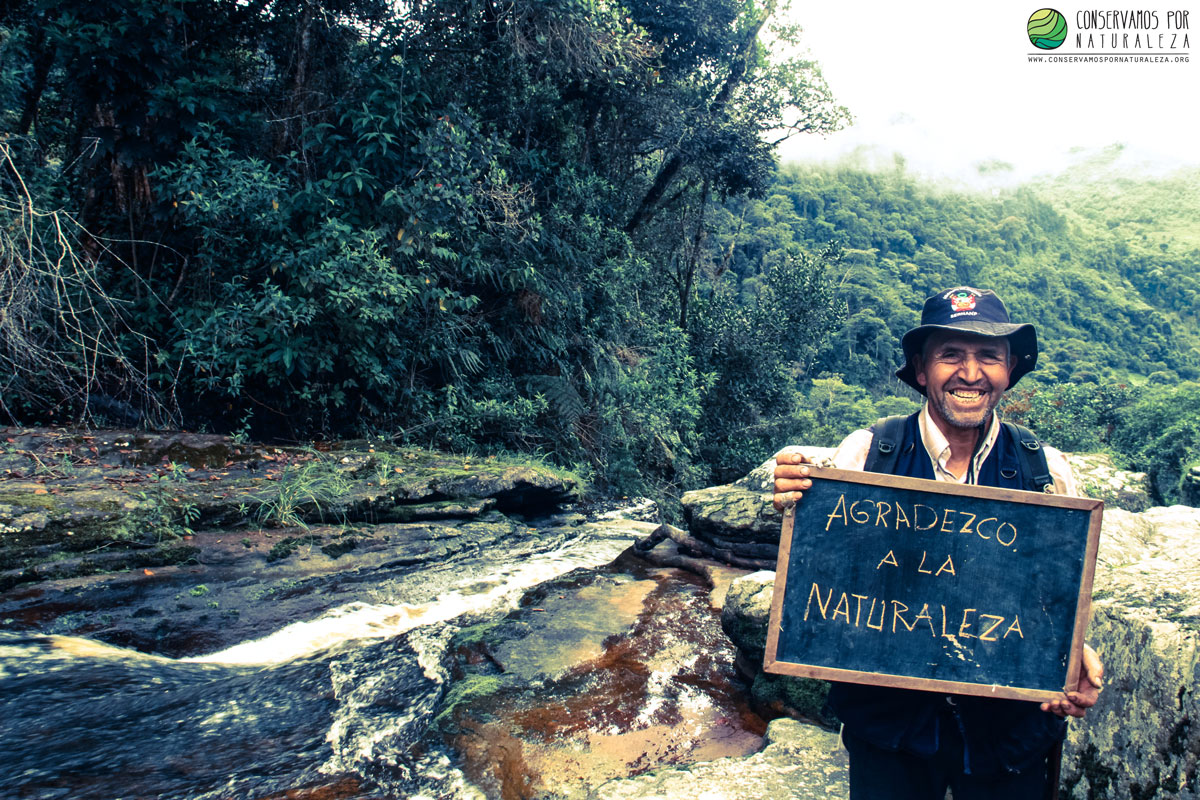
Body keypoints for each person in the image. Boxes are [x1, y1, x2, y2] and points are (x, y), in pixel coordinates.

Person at [772, 286, 1104, 800]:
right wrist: (797, 498)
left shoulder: (1047, 472)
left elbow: (1056, 597)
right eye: (951, 354)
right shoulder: (866, 455)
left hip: (1008, 739)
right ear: (922, 370)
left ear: (1009, 371)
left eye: (988, 356)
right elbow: (830, 573)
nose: (970, 373)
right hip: (890, 735)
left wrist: (1069, 655)